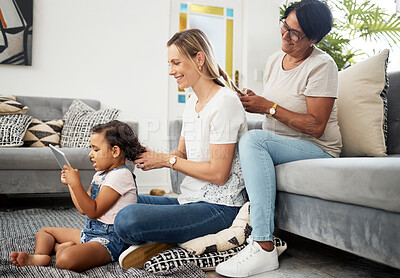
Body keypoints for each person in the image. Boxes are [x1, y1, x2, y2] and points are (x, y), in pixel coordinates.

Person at [216, 0, 342, 277]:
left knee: (253, 140)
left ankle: (262, 246)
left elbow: (316, 126)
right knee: (242, 135)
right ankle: (228, 224)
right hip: (282, 144)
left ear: (314, 38)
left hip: (317, 149)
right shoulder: (275, 59)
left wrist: (268, 107)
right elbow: (276, 108)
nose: (286, 35)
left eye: (296, 34)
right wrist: (254, 102)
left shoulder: (322, 65)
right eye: (285, 26)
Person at [114, 28, 248, 269]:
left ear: (199, 59)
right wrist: (150, 156)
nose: (171, 71)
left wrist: (167, 161)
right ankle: (167, 234)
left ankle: (163, 240)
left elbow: (219, 174)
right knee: (116, 202)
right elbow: (180, 155)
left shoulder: (225, 102)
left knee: (127, 219)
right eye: (169, 63)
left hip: (220, 207)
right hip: (188, 200)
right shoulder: (191, 103)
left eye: (176, 63)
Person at [10, 120, 145, 272]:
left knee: (65, 260)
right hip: (90, 232)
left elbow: (94, 212)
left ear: (115, 151)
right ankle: (38, 256)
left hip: (110, 240)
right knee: (45, 231)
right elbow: (83, 208)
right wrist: (71, 185)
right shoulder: (100, 174)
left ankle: (61, 249)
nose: (90, 154)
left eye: (95, 149)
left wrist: (76, 184)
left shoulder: (122, 175)